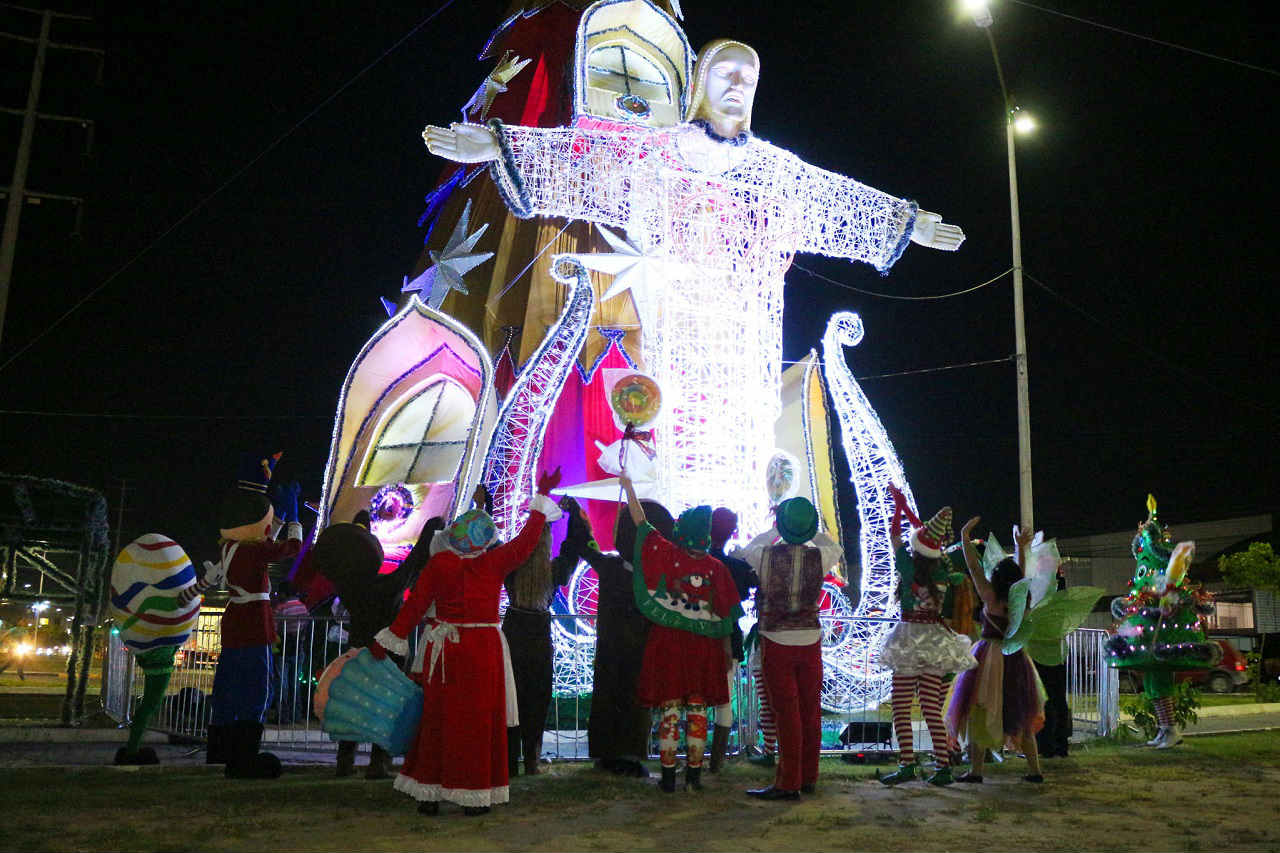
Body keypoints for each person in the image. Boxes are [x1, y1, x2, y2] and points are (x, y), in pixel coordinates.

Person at [422, 38, 965, 539]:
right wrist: (498, 144)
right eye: (726, 73)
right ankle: (684, 552)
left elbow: (839, 202)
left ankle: (740, 556)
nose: (738, 85)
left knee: (746, 462)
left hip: (747, 348)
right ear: (701, 82)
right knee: (683, 454)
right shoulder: (657, 157)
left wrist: (908, 223)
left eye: (748, 78)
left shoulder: (774, 173)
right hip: (681, 344)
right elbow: (581, 160)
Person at [369, 468, 562, 816]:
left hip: (444, 652)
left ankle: (429, 794)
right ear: (485, 540)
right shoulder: (494, 562)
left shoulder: (440, 564)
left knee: (437, 720)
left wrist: (390, 639)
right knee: (477, 723)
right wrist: (541, 497)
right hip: (483, 651)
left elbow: (414, 606)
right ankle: (473, 794)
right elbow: (526, 542)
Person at [619, 473, 743, 793]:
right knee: (699, 709)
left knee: (670, 708)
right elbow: (727, 616)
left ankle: (668, 778)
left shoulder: (668, 554)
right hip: (705, 648)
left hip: (670, 645)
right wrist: (726, 651)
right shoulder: (718, 569)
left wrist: (629, 487)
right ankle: (695, 777)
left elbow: (641, 523)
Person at [558, 496, 674, 778]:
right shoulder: (656, 579)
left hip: (611, 651)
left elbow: (587, 548)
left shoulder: (611, 568)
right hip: (639, 652)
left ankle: (607, 752)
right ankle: (630, 755)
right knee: (634, 702)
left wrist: (577, 518)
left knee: (609, 699)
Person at [203, 453, 304, 779]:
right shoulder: (255, 550)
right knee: (258, 687)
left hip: (234, 620)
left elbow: (264, 537)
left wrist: (279, 516)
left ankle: (219, 749)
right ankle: (245, 754)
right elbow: (290, 547)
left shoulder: (229, 547)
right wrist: (293, 517)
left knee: (228, 683)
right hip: (255, 621)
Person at [735, 497, 841, 800]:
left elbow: (749, 547)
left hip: (776, 639)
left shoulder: (764, 555)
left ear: (781, 525)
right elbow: (833, 546)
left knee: (786, 713)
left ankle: (788, 782)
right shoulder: (820, 556)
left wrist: (777, 526)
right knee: (810, 711)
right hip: (810, 639)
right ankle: (808, 777)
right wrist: (810, 528)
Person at [877, 486, 977, 787]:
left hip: (908, 640)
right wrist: (906, 509)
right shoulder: (943, 569)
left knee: (901, 707)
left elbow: (897, 536)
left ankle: (907, 764)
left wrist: (899, 508)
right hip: (935, 641)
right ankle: (943, 767)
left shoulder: (907, 568)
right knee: (932, 708)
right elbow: (924, 536)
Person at [307, 509, 417, 778]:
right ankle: (378, 763)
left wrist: (360, 529)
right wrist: (428, 534)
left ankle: (344, 761)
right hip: (387, 655)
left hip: (358, 651)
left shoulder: (349, 588)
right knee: (388, 707)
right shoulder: (386, 587)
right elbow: (410, 569)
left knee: (353, 706)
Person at [945, 517, 1045, 783]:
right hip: (1015, 658)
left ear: (997, 577)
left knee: (980, 712)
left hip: (989, 657)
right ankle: (1035, 771)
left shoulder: (990, 596)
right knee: (1020, 713)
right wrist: (1019, 548)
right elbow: (1019, 579)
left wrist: (965, 536)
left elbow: (973, 566)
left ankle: (976, 771)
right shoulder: (1021, 600)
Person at [502, 524, 574, 777]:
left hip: (512, 636)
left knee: (511, 701)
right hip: (539, 639)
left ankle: (509, 761)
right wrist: (573, 515)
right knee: (537, 701)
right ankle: (532, 761)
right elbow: (571, 550)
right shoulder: (555, 571)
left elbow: (494, 548)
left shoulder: (511, 568)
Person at [707, 507, 757, 773]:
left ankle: (693, 758)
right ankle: (716, 762)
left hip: (698, 638)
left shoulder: (696, 563)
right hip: (729, 639)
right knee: (724, 700)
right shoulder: (737, 567)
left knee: (695, 697)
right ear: (732, 531)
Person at [1035, 565, 1072, 758]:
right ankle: (1061, 744)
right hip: (1056, 653)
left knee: (1046, 699)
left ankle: (1047, 745)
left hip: (1042, 653)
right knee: (1058, 699)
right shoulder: (1060, 597)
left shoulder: (1041, 596)